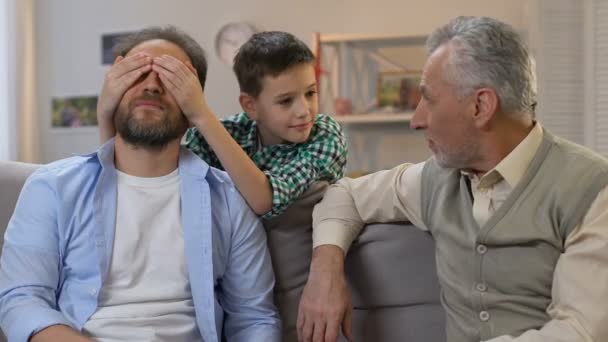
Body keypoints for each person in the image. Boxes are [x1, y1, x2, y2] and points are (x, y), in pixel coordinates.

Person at [298, 16, 608, 342]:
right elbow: (344, 195)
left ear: (481, 106)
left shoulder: (591, 189)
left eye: (428, 99)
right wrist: (325, 273)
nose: (416, 120)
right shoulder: (435, 179)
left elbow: (580, 332)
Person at [0, 26, 280, 342]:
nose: (151, 86)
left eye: (171, 77)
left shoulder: (230, 201)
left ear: (193, 106)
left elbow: (254, 319)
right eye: (137, 73)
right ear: (114, 94)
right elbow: (22, 300)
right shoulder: (51, 188)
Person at [98, 30, 348, 220]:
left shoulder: (324, 134)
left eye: (311, 93)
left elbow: (264, 200)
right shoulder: (226, 133)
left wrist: (200, 113)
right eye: (285, 101)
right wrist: (106, 113)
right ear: (250, 106)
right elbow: (143, 178)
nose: (304, 111)